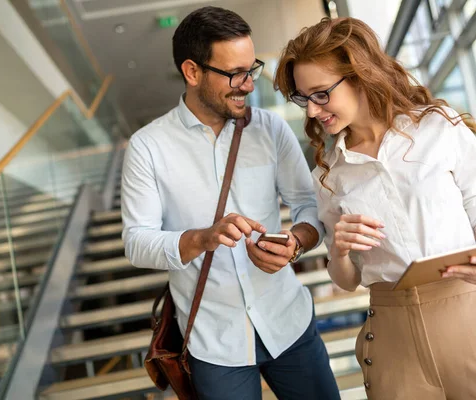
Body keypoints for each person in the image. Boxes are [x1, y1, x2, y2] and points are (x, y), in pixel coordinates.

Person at [274, 17, 476, 400]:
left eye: (321, 94)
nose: (311, 111)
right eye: (303, 99)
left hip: (472, 314)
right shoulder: (328, 176)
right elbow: (347, 279)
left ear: (359, 74)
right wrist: (340, 249)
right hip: (393, 338)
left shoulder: (439, 127)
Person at [120, 6, 340, 400]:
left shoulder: (270, 129)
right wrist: (202, 238)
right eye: (235, 74)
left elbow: (309, 205)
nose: (249, 85)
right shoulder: (148, 147)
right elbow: (137, 241)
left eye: (250, 69)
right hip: (213, 343)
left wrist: (296, 244)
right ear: (192, 72)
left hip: (288, 324)